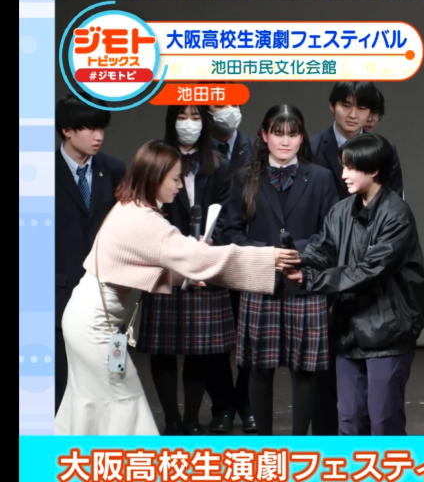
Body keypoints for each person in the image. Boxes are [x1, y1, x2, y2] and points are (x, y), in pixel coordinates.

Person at [56, 140, 298, 435]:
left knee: (88, 401)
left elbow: (139, 266)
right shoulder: (144, 220)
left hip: (88, 316)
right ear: (155, 177)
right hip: (93, 324)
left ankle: (72, 460)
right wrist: (267, 258)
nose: (180, 186)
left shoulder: (130, 207)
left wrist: (186, 274)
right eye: (175, 178)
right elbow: (199, 257)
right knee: (122, 400)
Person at [288, 133, 424, 435]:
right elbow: (322, 251)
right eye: (343, 166)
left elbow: (370, 270)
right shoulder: (341, 211)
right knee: (349, 421)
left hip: (388, 332)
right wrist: (295, 260)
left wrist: (312, 279)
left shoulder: (396, 214)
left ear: (374, 169)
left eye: (351, 167)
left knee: (383, 421)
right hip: (348, 329)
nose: (343, 174)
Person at [219, 104, 340, 436]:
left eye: (293, 134)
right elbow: (230, 232)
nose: (285, 141)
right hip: (261, 281)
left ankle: (299, 443)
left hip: (305, 282)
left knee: (305, 369)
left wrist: (297, 252)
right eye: (278, 133)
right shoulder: (245, 176)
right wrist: (268, 255)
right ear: (264, 135)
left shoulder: (320, 177)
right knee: (259, 368)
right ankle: (265, 444)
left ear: (302, 137)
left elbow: (331, 233)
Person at [137, 105, 236, 436]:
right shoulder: (157, 161)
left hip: (205, 265)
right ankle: (171, 419)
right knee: (163, 348)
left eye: (195, 117)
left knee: (200, 349)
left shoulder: (220, 165)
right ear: (171, 121)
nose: (189, 124)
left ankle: (192, 419)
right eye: (182, 117)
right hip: (164, 264)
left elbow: (228, 214)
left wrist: (210, 243)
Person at [54, 94, 127, 414]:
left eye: (102, 128)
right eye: (89, 128)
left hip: (104, 293)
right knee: (61, 386)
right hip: (58, 293)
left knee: (110, 379)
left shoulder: (114, 168)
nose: (98, 136)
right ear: (67, 130)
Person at [205, 102, 257, 432]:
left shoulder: (256, 148)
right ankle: (222, 407)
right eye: (219, 104)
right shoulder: (197, 152)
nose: (228, 110)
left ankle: (246, 402)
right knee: (213, 341)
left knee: (250, 336)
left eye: (233, 103)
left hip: (246, 252)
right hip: (208, 256)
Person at [312, 82, 404, 199]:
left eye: (361, 108)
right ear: (332, 106)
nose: (353, 115)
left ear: (370, 112)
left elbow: (394, 200)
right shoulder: (311, 147)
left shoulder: (384, 151)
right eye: (346, 106)